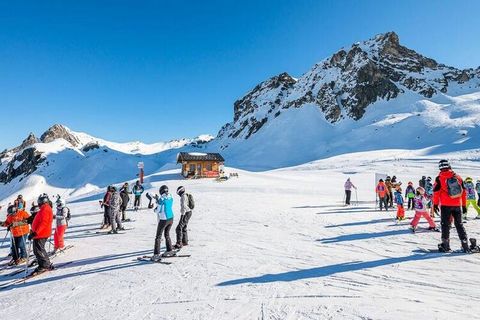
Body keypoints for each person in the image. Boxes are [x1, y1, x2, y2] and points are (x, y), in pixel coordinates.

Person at [433, 159, 470, 253]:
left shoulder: (439, 178)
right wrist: (464, 205)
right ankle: (465, 244)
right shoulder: (457, 177)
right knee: (459, 224)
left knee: (445, 225)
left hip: (445, 205)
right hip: (457, 204)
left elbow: (436, 192)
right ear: (449, 166)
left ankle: (445, 245)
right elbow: (464, 192)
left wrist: (435, 204)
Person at [28, 193, 54, 274]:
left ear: (43, 202)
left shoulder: (46, 209)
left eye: (39, 201)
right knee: (37, 250)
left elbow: (44, 223)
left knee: (39, 250)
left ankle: (45, 265)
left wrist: (35, 233)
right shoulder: (44, 208)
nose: (38, 203)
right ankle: (43, 264)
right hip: (39, 233)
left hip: (41, 233)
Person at [151, 185, 174, 261]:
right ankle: (169, 250)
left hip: (164, 219)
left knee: (158, 236)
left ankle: (156, 254)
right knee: (167, 234)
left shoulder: (161, 199)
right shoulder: (171, 196)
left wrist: (155, 209)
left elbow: (159, 210)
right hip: (171, 218)